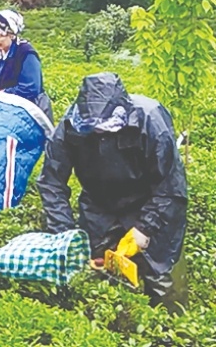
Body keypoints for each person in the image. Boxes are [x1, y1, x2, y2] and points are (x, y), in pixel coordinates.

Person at [37, 72, 188, 312]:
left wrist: (145, 227)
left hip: (150, 200)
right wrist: (65, 236)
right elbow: (51, 182)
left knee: (160, 275)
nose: (98, 134)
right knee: (99, 273)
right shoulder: (70, 125)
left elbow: (170, 187)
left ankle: (170, 326)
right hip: (99, 204)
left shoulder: (150, 121)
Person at [0, 9, 53, 123]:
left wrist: (1, 94)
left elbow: (31, 88)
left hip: (31, 111)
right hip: (8, 109)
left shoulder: (26, 53)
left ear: (10, 34)